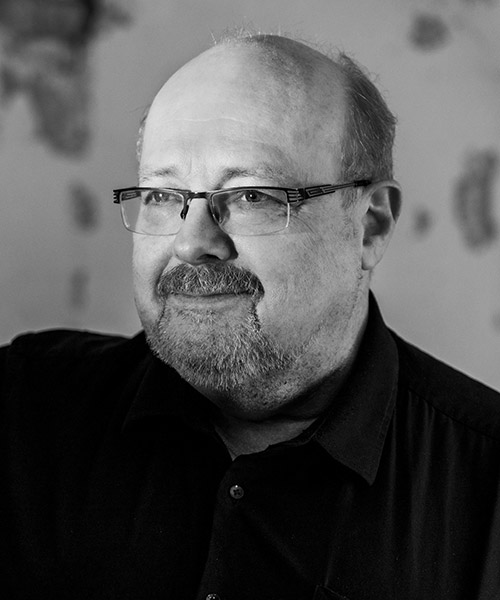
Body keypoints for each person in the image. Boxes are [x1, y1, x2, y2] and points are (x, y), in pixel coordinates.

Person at [1, 32, 499, 600]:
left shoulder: (486, 491)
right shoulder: (25, 411)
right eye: (162, 197)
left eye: (251, 196)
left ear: (370, 226)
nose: (193, 244)